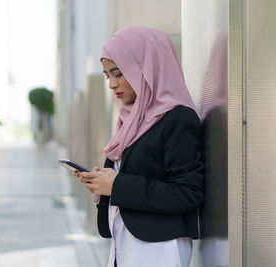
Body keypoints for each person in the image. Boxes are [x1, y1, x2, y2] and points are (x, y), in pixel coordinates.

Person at [74, 26, 204, 267]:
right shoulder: (130, 119)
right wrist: (102, 181)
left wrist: (117, 184)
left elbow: (188, 193)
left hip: (160, 247)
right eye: (107, 75)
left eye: (118, 73)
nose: (112, 84)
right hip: (124, 242)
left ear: (146, 66)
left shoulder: (178, 118)